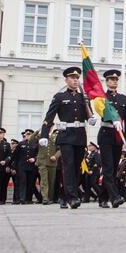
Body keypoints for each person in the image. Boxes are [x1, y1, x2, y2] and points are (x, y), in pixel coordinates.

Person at [40, 66, 94, 209]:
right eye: (72, 78)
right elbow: (49, 117)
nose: (75, 81)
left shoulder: (84, 97)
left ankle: (64, 196)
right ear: (66, 80)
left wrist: (92, 117)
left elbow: (90, 115)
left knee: (76, 168)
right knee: (68, 166)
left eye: (77, 78)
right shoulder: (60, 97)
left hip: (80, 136)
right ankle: (72, 197)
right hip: (66, 137)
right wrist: (44, 134)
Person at [97, 69, 126, 209]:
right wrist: (112, 119)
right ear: (106, 82)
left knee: (113, 169)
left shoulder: (124, 99)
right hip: (106, 134)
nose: (114, 82)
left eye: (116, 79)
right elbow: (102, 111)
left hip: (118, 136)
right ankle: (115, 197)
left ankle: (102, 197)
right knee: (107, 167)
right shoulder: (101, 97)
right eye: (111, 79)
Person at [28, 129, 58, 204]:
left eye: (50, 126)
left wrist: (56, 156)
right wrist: (37, 131)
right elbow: (31, 140)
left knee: (51, 181)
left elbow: (60, 149)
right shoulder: (40, 136)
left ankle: (50, 198)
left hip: (52, 162)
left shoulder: (56, 136)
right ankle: (45, 198)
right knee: (44, 180)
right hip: (42, 161)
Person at [12, 129, 39, 204]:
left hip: (32, 167)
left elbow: (39, 155)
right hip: (22, 167)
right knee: (22, 182)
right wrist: (13, 167)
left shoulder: (35, 144)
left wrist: (34, 159)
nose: (28, 136)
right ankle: (22, 198)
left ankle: (28, 199)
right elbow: (15, 156)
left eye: (30, 134)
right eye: (27, 134)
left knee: (30, 183)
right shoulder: (21, 144)